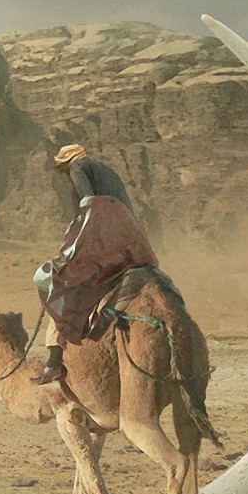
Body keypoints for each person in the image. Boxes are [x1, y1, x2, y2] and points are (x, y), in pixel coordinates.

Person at [32, 144, 158, 385]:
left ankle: (54, 362)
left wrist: (72, 247)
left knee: (58, 285)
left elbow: (89, 205)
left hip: (102, 239)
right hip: (132, 242)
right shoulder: (109, 172)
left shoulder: (78, 168)